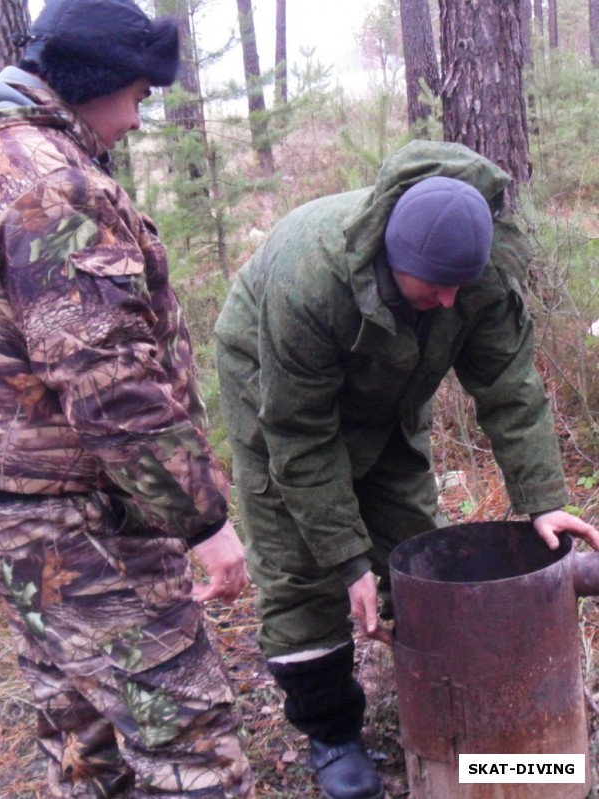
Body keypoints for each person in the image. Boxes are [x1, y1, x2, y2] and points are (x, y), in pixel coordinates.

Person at [214, 139, 599, 799]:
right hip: (274, 394)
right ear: (396, 260)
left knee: (418, 546)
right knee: (302, 563)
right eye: (434, 288)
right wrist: (346, 559)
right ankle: (332, 731)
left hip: (389, 398)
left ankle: (451, 714)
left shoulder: (473, 278)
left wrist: (544, 499)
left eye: (460, 287)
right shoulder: (313, 279)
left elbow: (511, 388)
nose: (450, 301)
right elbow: (301, 433)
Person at [0, 1, 255, 797]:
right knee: (193, 754)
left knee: (87, 746)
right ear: (97, 80)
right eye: (140, 96)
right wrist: (205, 520)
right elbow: (111, 384)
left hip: (28, 522)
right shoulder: (51, 186)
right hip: (85, 527)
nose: (140, 119)